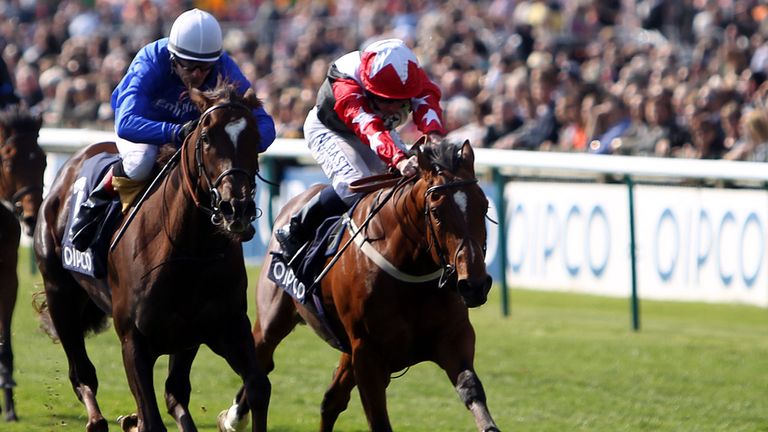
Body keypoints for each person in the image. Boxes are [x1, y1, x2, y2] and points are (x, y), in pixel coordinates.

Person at [71, 8, 276, 248]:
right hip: (144, 128)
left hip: (194, 134)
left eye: (205, 68)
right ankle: (97, 203)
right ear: (173, 58)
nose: (198, 74)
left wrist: (241, 141)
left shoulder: (223, 65)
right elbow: (126, 123)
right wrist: (173, 132)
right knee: (140, 162)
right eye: (189, 67)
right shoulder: (150, 62)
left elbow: (265, 124)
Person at [275, 38, 446, 260]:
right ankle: (296, 229)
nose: (394, 107)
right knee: (356, 185)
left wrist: (434, 135)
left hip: (379, 130)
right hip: (332, 129)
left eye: (400, 101)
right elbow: (368, 128)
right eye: (386, 100)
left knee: (403, 183)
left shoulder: (410, 74)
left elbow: (427, 101)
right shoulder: (345, 81)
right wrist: (400, 159)